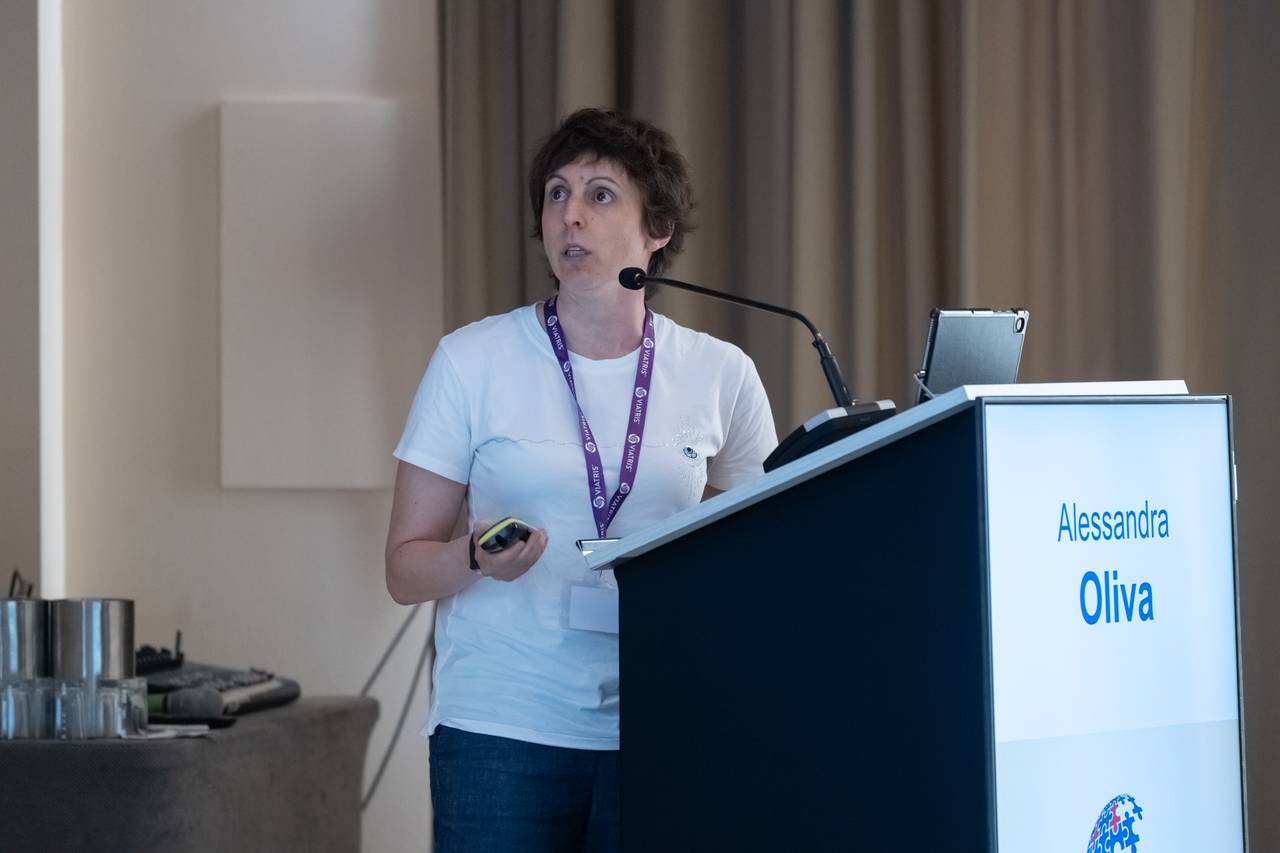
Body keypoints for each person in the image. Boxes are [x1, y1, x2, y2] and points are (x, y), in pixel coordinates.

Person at [385, 108, 777, 852]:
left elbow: (765, 551)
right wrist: (476, 558)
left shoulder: (720, 372)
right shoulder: (472, 360)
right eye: (556, 194)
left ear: (656, 230)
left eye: (600, 195)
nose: (570, 215)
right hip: (500, 727)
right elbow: (404, 569)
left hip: (664, 720)